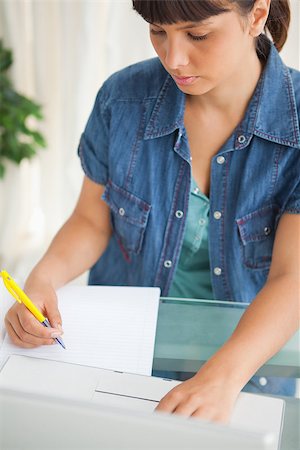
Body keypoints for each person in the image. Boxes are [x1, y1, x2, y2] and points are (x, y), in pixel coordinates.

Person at [5, 0, 299, 423]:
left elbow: (293, 277)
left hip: (247, 369)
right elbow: (91, 220)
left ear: (256, 15)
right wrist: (42, 279)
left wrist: (220, 378)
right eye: (158, 31)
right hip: (121, 356)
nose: (173, 59)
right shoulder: (122, 100)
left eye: (197, 34)